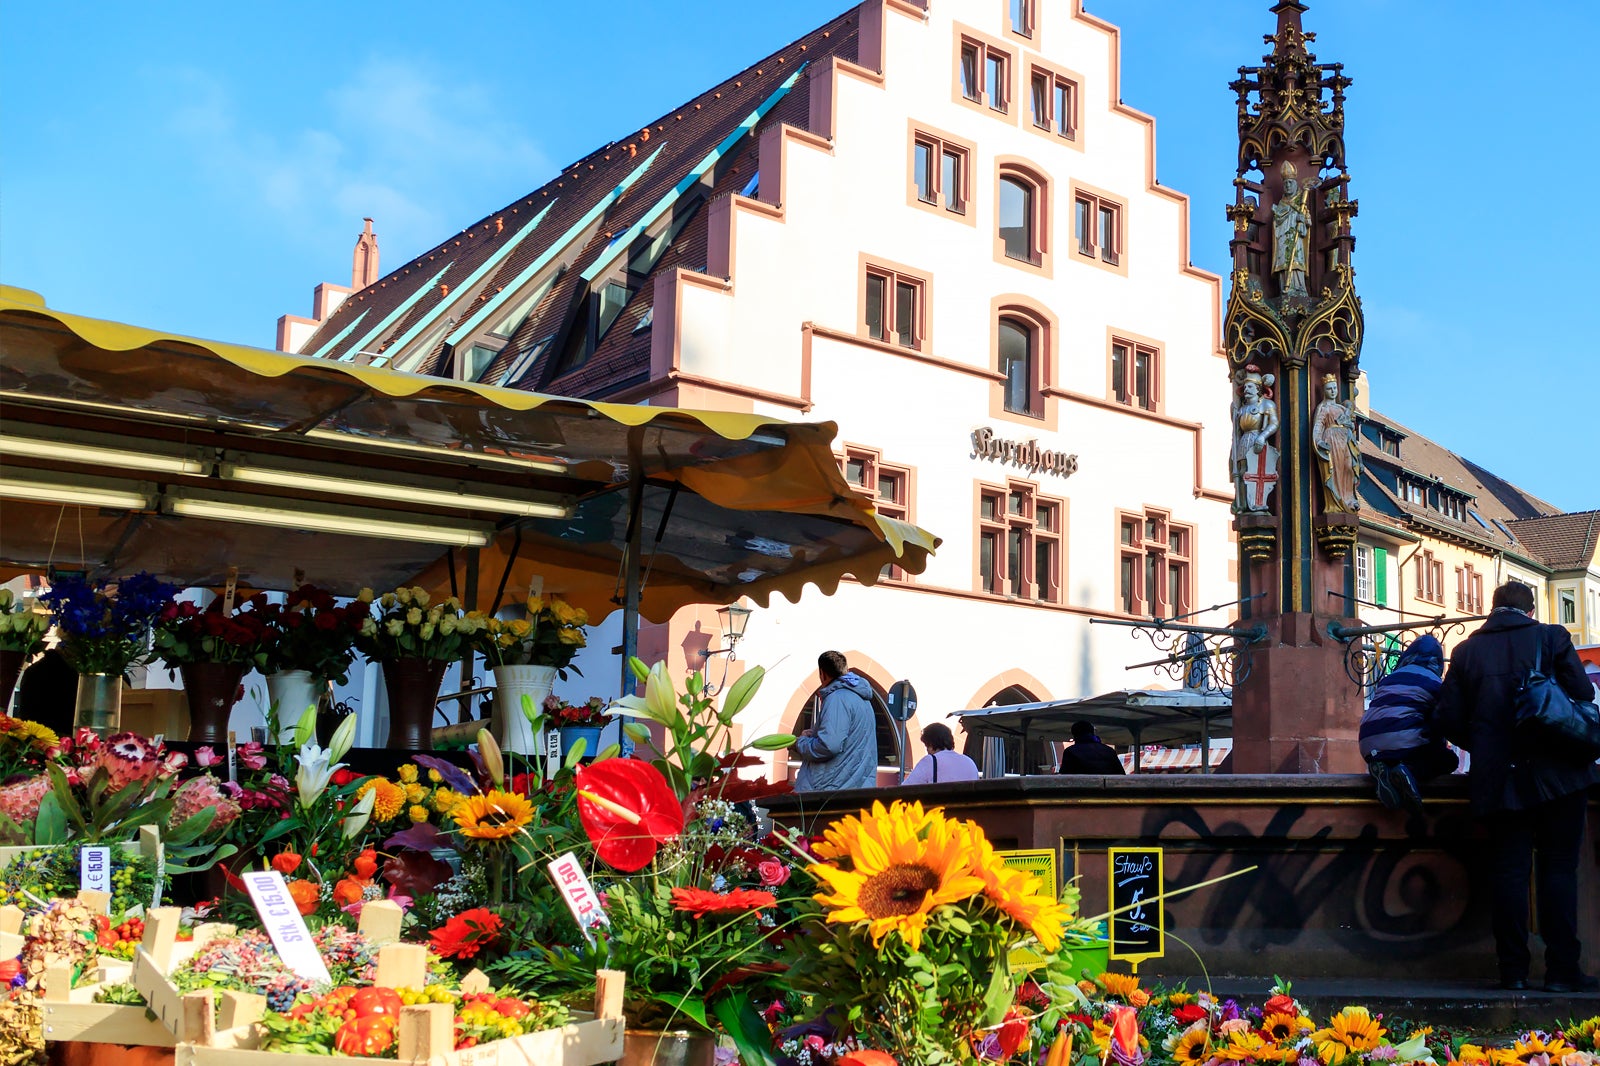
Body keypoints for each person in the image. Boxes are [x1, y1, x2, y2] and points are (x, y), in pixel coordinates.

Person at [1435, 581, 1600, 993]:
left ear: (1492, 610)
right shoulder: (1551, 637)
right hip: (1558, 776)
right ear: (1530, 611)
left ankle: (1513, 971)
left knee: (1509, 873)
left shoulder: (1466, 651)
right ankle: (1562, 971)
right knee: (1558, 869)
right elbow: (1582, 693)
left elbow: (1448, 719)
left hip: (1499, 779)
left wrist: (1487, 744)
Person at [1358, 634, 1458, 814]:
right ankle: (1407, 771)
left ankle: (1384, 768)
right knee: (1449, 760)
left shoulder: (1388, 679)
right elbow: (1443, 718)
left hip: (1367, 744)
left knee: (1403, 737)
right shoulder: (1435, 682)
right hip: (1404, 744)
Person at [791, 651, 879, 792]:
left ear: (822, 673)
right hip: (857, 788)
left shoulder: (836, 698)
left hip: (831, 790)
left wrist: (800, 742)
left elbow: (829, 745)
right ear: (846, 670)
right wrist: (814, 735)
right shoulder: (863, 701)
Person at [1311, 374, 1362, 512]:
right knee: (1337, 470)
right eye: (1329, 388)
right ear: (1324, 391)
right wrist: (1318, 441)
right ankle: (1337, 499)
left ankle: (1349, 498)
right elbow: (1318, 426)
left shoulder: (1341, 408)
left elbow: (1350, 424)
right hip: (1332, 441)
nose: (1333, 391)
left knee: (1349, 467)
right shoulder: (1324, 408)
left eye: (1334, 388)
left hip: (1346, 441)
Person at [900, 722, 979, 786]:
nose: (927, 750)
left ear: (930, 745)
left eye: (926, 745)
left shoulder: (930, 761)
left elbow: (904, 789)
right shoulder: (969, 762)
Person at [1058, 721, 1125, 775]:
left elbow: (1065, 774)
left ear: (1074, 734)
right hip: (1109, 790)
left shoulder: (1070, 751)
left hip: (1082, 790)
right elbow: (1120, 773)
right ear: (1092, 732)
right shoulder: (1109, 750)